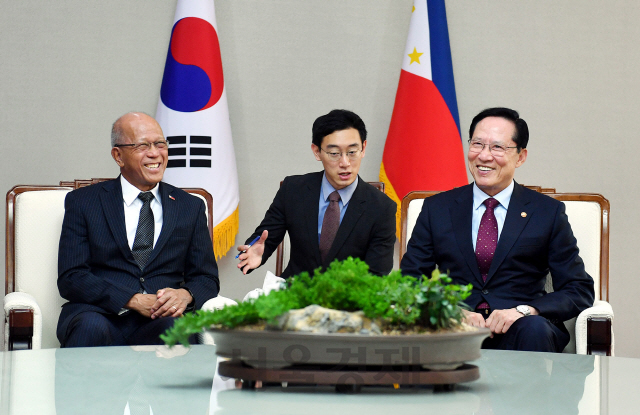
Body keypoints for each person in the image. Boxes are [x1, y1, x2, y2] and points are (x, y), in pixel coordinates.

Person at [400, 107, 594, 352]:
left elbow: (579, 289)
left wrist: (525, 311)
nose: (484, 156)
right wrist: (448, 310)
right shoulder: (437, 208)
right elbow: (410, 281)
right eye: (477, 144)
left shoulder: (547, 213)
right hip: (454, 326)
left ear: (521, 156)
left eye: (497, 147)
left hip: (521, 328)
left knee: (534, 328)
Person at [57, 112, 220, 347]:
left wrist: (186, 295)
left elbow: (206, 278)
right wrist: (131, 300)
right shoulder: (84, 202)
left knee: (177, 329)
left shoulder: (190, 206)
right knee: (89, 327)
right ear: (118, 155)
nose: (155, 153)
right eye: (142, 145)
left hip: (162, 317)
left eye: (160, 144)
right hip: (100, 312)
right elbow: (71, 277)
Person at [237, 109, 396, 278]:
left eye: (352, 152)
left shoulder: (382, 208)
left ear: (363, 148)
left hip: (348, 301)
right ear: (316, 151)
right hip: (294, 295)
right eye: (334, 153)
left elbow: (377, 274)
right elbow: (264, 237)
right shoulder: (293, 190)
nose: (345, 162)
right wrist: (253, 251)